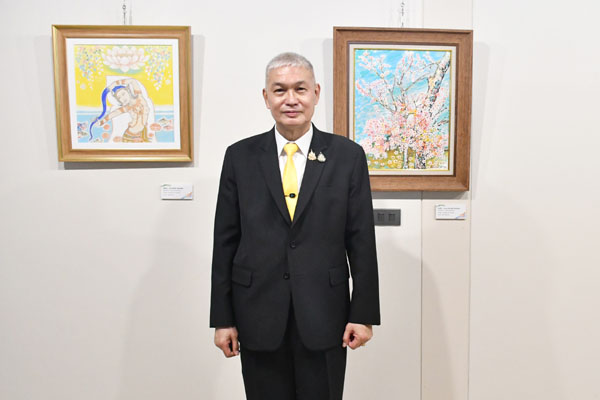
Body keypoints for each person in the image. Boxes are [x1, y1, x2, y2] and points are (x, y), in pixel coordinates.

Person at [210, 52, 380, 400]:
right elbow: (225, 241)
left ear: (316, 93)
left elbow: (361, 239)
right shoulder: (240, 157)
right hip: (257, 313)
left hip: (325, 314)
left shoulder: (347, 156)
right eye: (280, 90)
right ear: (266, 97)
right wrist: (223, 318)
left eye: (300, 89)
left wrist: (363, 314)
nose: (291, 99)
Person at [90, 78, 153, 143]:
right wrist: (101, 122)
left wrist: (114, 84)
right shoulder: (127, 108)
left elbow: (133, 81)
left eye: (123, 94)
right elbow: (113, 114)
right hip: (129, 136)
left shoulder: (140, 97)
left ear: (128, 91)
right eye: (119, 98)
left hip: (142, 133)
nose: (123, 98)